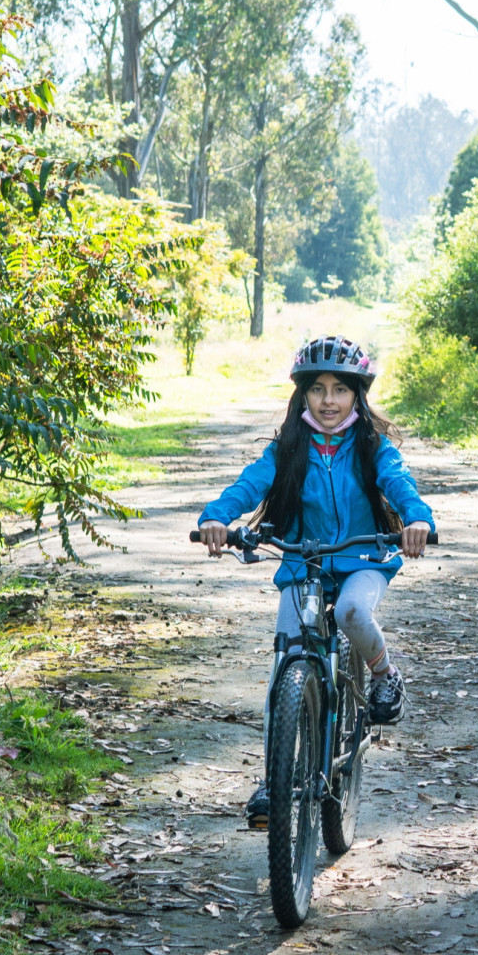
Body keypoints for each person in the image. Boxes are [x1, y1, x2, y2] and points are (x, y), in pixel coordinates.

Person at [198, 336, 434, 827]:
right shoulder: (289, 447)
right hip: (304, 562)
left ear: (357, 397)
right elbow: (248, 486)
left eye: (341, 390)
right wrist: (216, 518)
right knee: (287, 657)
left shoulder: (372, 447)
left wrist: (417, 520)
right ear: (302, 395)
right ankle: (274, 777)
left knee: (351, 613)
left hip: (364, 556)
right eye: (319, 389)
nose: (329, 401)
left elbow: (400, 485)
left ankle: (385, 674)